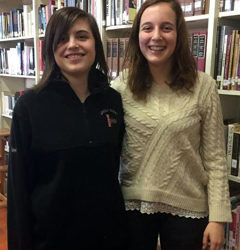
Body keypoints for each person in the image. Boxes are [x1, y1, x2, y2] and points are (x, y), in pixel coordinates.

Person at [111, 0, 232, 250]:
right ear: (137, 35)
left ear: (179, 34)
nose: (156, 36)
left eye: (166, 28)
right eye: (147, 28)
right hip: (132, 205)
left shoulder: (204, 86)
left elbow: (216, 159)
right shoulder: (120, 87)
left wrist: (218, 218)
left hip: (189, 209)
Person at [7, 7, 127, 250]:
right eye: (62, 39)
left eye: (82, 36)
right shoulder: (29, 106)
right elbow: (18, 190)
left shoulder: (113, 100)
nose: (73, 45)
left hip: (107, 237)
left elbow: (114, 167)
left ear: (96, 43)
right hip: (50, 240)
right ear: (51, 47)